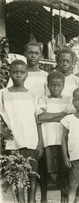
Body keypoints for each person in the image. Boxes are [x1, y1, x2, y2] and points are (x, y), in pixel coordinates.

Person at [0, 60, 43, 203]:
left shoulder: (32, 95)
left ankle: (31, 201)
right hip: (14, 142)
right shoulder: (3, 94)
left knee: (32, 174)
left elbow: (37, 120)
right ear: (10, 74)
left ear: (26, 75)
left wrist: (40, 142)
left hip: (32, 141)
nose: (18, 75)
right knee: (18, 175)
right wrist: (2, 129)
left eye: (22, 72)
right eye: (15, 72)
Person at [36, 71, 74, 203]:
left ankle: (65, 200)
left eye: (58, 85)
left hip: (64, 141)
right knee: (51, 172)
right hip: (48, 141)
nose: (55, 88)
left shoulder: (69, 99)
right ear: (48, 85)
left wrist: (50, 116)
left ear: (63, 86)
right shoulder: (43, 99)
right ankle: (70, 195)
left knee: (64, 172)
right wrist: (62, 114)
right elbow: (41, 117)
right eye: (52, 85)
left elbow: (70, 117)